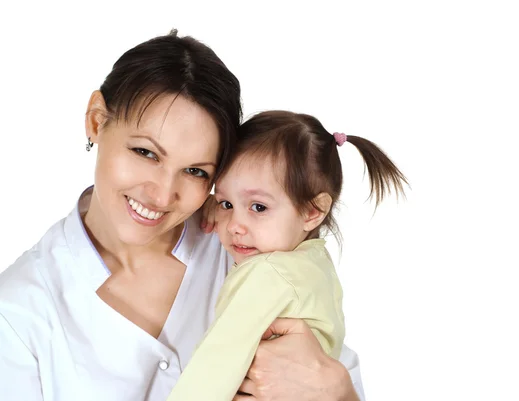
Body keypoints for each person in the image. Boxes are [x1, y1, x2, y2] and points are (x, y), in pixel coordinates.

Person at [0, 30, 366, 401]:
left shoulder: (248, 245)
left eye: (195, 172)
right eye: (145, 152)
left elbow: (337, 372)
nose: (161, 194)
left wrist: (338, 392)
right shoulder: (18, 313)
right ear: (96, 120)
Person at [167, 110, 407, 401]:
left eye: (258, 207)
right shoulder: (315, 265)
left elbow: (216, 364)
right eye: (226, 203)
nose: (234, 226)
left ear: (312, 212)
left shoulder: (265, 274)